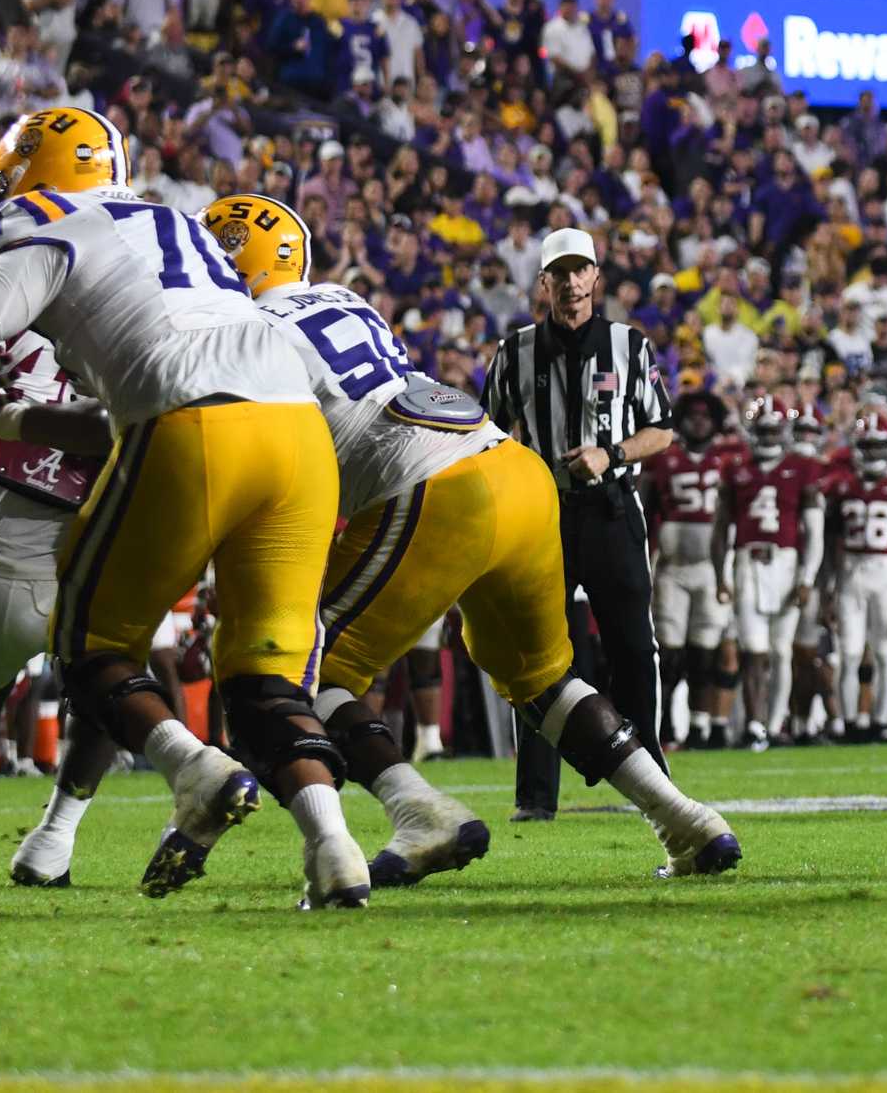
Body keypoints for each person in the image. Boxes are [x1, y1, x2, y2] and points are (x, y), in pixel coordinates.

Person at [0, 112, 363, 908]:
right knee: (256, 676)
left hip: (161, 446)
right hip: (292, 433)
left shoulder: (44, 229)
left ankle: (182, 768)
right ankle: (334, 847)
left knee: (84, 652)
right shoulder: (179, 230)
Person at [205, 195, 739, 880]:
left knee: (305, 668)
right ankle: (686, 820)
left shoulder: (239, 332)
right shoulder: (342, 299)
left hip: (442, 488)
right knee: (541, 675)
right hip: (517, 473)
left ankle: (418, 810)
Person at [483, 229, 678, 815]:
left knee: (633, 649)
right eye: (559, 272)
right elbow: (487, 436)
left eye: (580, 270)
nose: (570, 283)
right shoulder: (513, 352)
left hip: (612, 508)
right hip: (543, 516)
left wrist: (611, 453)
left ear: (597, 277)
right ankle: (536, 796)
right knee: (538, 652)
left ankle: (651, 782)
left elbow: (662, 428)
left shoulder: (629, 345)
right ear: (542, 282)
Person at [0, 331, 118, 887]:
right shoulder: (134, 337)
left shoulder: (6, 329)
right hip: (92, 569)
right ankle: (54, 838)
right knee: (110, 694)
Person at [711, 397, 825, 749]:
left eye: (775, 430)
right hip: (747, 562)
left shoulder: (802, 467)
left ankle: (775, 724)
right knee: (753, 650)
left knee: (780, 650)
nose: (770, 436)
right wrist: (721, 574)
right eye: (764, 430)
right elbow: (720, 529)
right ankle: (757, 726)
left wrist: (807, 578)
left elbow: (815, 531)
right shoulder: (735, 468)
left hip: (787, 564)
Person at [823, 413, 887, 741]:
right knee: (849, 653)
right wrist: (828, 588)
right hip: (851, 570)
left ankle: (880, 722)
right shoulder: (842, 486)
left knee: (883, 651)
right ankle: (850, 722)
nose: (871, 453)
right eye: (866, 445)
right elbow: (829, 543)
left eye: (877, 446)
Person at [643, 390, 734, 749]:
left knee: (705, 653)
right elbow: (645, 513)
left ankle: (700, 726)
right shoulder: (663, 459)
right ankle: (664, 725)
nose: (699, 422)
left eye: (705, 416)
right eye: (692, 416)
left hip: (712, 569)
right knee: (668, 653)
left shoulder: (730, 460)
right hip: (673, 568)